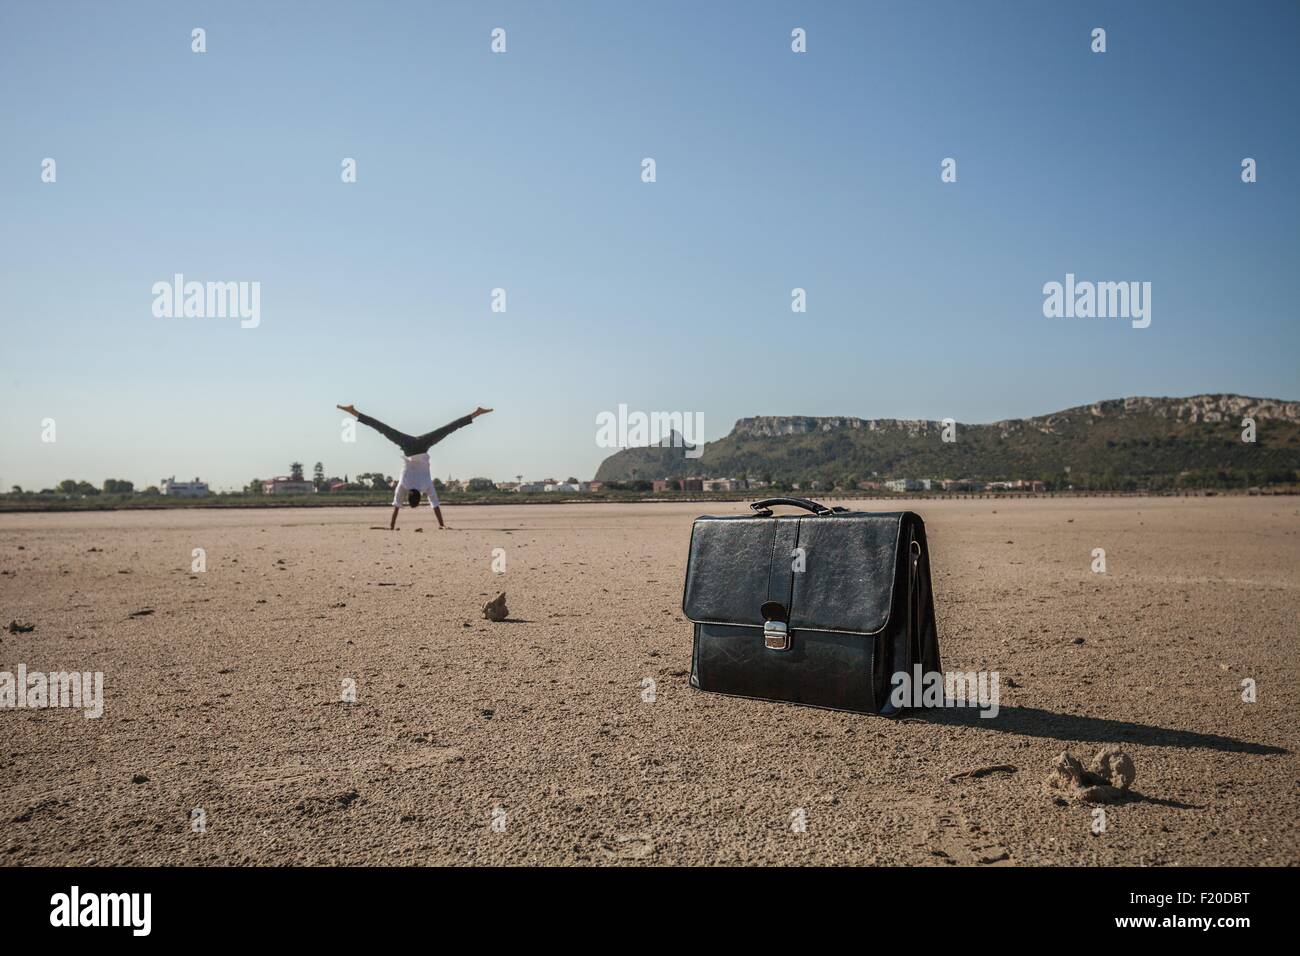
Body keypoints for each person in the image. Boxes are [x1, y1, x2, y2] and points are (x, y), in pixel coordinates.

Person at [336, 404, 493, 529]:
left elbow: (435, 505)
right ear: (409, 497)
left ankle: (476, 413)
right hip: (408, 446)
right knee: (382, 428)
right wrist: (391, 525)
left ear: (419, 496)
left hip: (423, 445)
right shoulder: (403, 485)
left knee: (448, 429)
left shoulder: (426, 485)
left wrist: (442, 524)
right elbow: (397, 507)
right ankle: (354, 411)